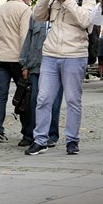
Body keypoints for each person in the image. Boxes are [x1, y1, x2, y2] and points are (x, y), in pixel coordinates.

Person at [26, 0, 96, 156]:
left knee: (73, 100)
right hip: (50, 55)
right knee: (43, 98)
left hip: (74, 55)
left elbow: (86, 20)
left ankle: (72, 140)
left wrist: (68, 0)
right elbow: (37, 16)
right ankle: (40, 140)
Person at [0, 0, 32, 144]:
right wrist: (26, 63)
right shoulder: (24, 10)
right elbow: (24, 37)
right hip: (17, 58)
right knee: (23, 96)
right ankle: (27, 132)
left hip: (0, 58)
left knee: (0, 94)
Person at [19, 16, 64, 147]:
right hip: (36, 66)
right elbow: (29, 39)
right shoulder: (36, 16)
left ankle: (52, 134)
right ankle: (30, 134)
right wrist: (25, 64)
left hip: (57, 65)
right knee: (34, 102)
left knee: (54, 103)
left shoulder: (64, 13)